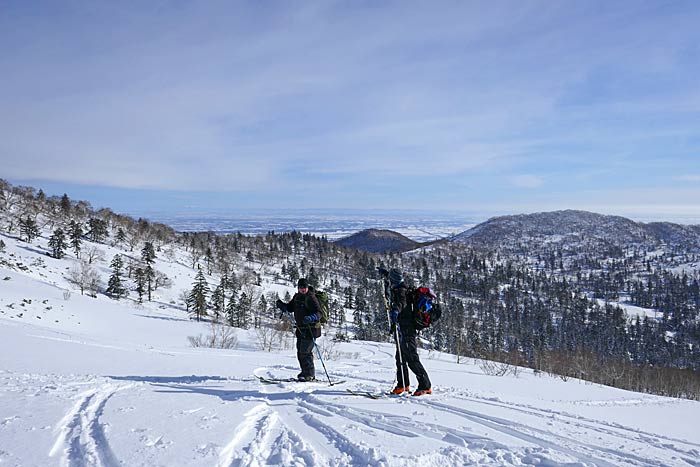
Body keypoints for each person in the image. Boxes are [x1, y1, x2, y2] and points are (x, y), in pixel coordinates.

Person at [387, 268, 432, 396]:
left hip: (406, 329)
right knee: (400, 357)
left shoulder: (401, 291)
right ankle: (402, 384)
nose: (389, 282)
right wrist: (385, 274)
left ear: (394, 280)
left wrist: (395, 310)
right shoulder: (398, 288)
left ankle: (425, 385)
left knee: (411, 357)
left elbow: (402, 303)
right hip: (401, 328)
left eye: (390, 279)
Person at [276, 278, 322, 382]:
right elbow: (290, 308)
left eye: (304, 287)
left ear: (307, 287)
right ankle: (304, 373)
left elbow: (319, 313)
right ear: (298, 288)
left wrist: (311, 318)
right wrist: (282, 306)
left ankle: (309, 375)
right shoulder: (297, 297)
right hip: (301, 330)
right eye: (301, 288)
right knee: (300, 352)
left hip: (311, 329)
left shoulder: (311, 298)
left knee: (305, 352)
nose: (303, 289)